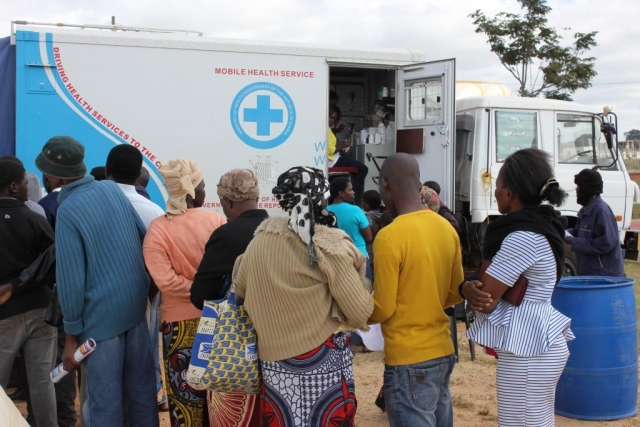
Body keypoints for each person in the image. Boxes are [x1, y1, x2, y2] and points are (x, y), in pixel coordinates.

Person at [234, 166, 373, 427]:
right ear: (322, 198)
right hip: (322, 362)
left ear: (283, 199)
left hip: (274, 363)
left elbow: (240, 289)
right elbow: (359, 312)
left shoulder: (261, 239)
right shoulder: (329, 244)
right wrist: (363, 283)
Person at [36, 135, 158, 427]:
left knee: (104, 406)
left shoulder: (68, 210)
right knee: (141, 396)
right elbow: (144, 239)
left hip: (99, 326)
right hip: (134, 312)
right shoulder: (111, 190)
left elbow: (71, 281)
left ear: (52, 175)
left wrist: (71, 339)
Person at [464, 148, 574, 426]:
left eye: (498, 187)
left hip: (529, 347)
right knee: (534, 420)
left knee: (521, 421)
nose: (495, 193)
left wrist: (465, 288)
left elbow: (485, 298)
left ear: (510, 193)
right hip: (539, 339)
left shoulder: (522, 237)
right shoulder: (543, 226)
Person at [369, 153, 464, 427]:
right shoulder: (445, 228)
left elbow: (383, 308)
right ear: (418, 182)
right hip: (442, 350)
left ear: (385, 185)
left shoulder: (389, 236)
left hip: (408, 358)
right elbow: (456, 292)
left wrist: (353, 314)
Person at [144, 159, 225, 426]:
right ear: (192, 190)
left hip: (178, 325)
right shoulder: (216, 221)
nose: (205, 191)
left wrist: (193, 290)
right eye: (202, 185)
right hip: (219, 320)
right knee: (222, 398)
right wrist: (208, 291)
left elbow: (165, 281)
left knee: (185, 398)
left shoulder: (158, 229)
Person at [190, 168, 266, 427]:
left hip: (234, 348)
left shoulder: (227, 235)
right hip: (278, 346)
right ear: (257, 196)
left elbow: (201, 296)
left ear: (227, 202)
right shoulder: (283, 231)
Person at [105, 144, 167, 411]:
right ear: (138, 174)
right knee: (143, 360)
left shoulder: (90, 206)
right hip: (145, 297)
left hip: (101, 301)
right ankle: (153, 397)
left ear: (107, 171)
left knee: (103, 373)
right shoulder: (154, 212)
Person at [0, 158, 58, 427]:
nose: (28, 187)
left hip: (4, 317)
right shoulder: (36, 220)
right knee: (42, 382)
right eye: (25, 182)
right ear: (13, 186)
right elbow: (53, 266)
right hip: (40, 313)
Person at [38, 170, 78, 427]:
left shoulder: (43, 207)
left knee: (58, 361)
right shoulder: (86, 202)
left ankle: (62, 418)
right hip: (78, 294)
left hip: (54, 296)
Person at [565, 169, 625, 276]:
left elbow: (606, 243)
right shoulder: (585, 210)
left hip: (604, 277)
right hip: (589, 274)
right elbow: (579, 232)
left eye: (578, 187)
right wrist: (562, 233)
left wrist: (574, 242)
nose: (576, 190)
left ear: (586, 190)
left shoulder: (601, 211)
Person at [327, 177, 372, 279]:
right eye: (350, 190)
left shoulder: (325, 211)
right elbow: (368, 237)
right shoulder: (356, 210)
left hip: (337, 258)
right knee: (365, 289)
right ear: (341, 193)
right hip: (359, 256)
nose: (353, 192)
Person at [328, 105, 368, 201]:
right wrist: (343, 145)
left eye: (334, 118)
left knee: (354, 172)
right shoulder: (326, 130)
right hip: (332, 161)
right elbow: (329, 150)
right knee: (363, 169)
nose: (332, 120)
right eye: (330, 117)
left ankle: (349, 193)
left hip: (333, 159)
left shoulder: (327, 129)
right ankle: (353, 197)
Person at [361, 190, 383, 262]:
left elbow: (367, 236)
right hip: (380, 247)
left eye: (363, 202)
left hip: (368, 250)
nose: (362, 204)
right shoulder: (383, 214)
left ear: (367, 204)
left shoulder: (366, 217)